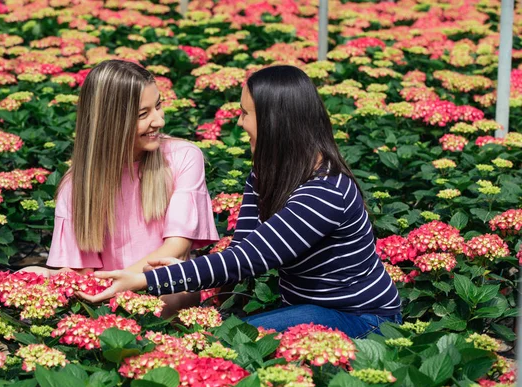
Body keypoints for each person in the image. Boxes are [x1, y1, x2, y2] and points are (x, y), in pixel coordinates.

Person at [78, 65, 402, 337]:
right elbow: (240, 254)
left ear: (276, 121)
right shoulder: (268, 172)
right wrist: (181, 271)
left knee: (232, 342)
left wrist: (145, 279)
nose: (239, 122)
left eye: (245, 113)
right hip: (306, 308)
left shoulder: (326, 191)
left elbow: (249, 258)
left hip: (364, 318)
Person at [21, 60, 220, 315]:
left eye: (158, 106)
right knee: (27, 274)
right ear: (110, 122)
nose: (159, 121)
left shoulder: (182, 157)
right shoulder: (76, 186)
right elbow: (80, 272)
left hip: (166, 290)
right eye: (142, 114)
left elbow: (176, 247)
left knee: (162, 297)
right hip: (107, 295)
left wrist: (125, 282)